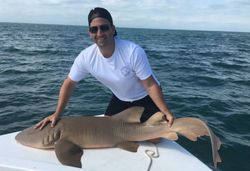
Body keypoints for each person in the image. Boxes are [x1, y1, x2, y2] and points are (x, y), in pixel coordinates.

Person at [35, 7, 174, 131]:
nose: (99, 32)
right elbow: (69, 83)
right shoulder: (86, 57)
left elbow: (150, 85)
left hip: (145, 96)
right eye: (94, 29)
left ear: (113, 29)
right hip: (121, 98)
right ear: (89, 33)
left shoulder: (133, 52)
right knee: (108, 131)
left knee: (155, 138)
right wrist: (57, 113)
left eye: (104, 27)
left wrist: (165, 111)